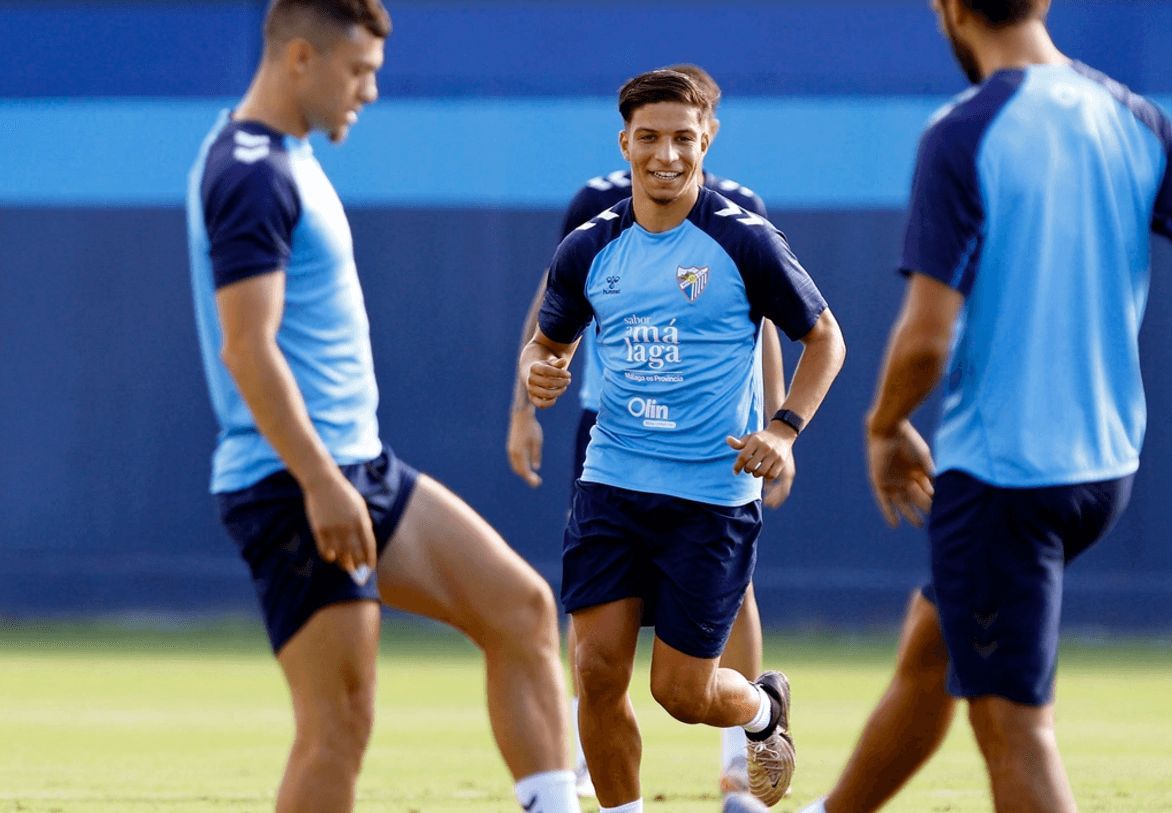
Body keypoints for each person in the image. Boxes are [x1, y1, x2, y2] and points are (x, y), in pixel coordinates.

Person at [794, 1, 1172, 812]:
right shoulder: (1134, 119)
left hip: (1005, 477)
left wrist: (882, 427)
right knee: (933, 652)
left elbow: (924, 339)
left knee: (1013, 732)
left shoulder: (961, 132)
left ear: (949, 9)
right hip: (1101, 470)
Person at [185, 2, 579, 811]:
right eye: (359, 72)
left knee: (520, 610)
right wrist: (320, 482)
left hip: (358, 468)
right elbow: (247, 349)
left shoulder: (284, 154)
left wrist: (341, 476)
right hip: (294, 481)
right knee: (337, 724)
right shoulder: (250, 173)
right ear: (301, 58)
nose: (369, 92)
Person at [520, 69, 846, 811]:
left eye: (681, 138)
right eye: (649, 138)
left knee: (680, 691)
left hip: (709, 498)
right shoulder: (588, 246)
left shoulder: (744, 239)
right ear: (624, 143)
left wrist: (783, 429)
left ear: (707, 140)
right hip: (611, 485)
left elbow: (824, 338)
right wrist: (538, 372)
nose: (664, 155)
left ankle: (761, 709)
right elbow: (547, 343)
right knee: (596, 671)